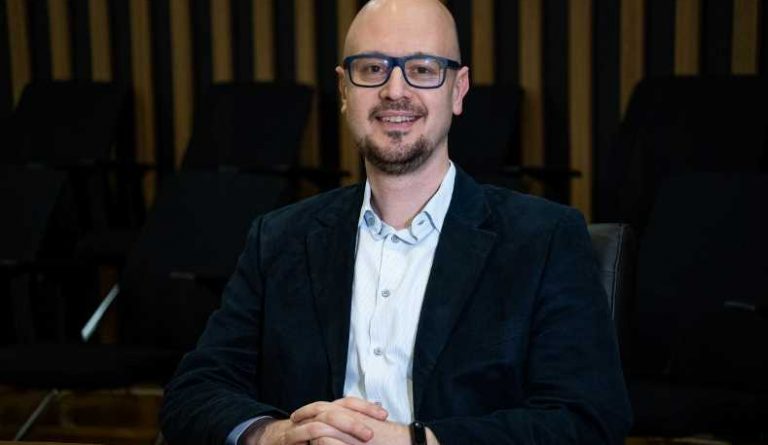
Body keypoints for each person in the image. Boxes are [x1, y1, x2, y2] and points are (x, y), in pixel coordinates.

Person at [160, 0, 632, 443]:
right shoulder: (279, 238)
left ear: (458, 90)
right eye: (372, 69)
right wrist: (278, 435)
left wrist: (414, 441)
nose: (395, 91)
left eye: (422, 69)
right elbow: (195, 391)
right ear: (344, 91)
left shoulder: (543, 238)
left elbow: (588, 418)